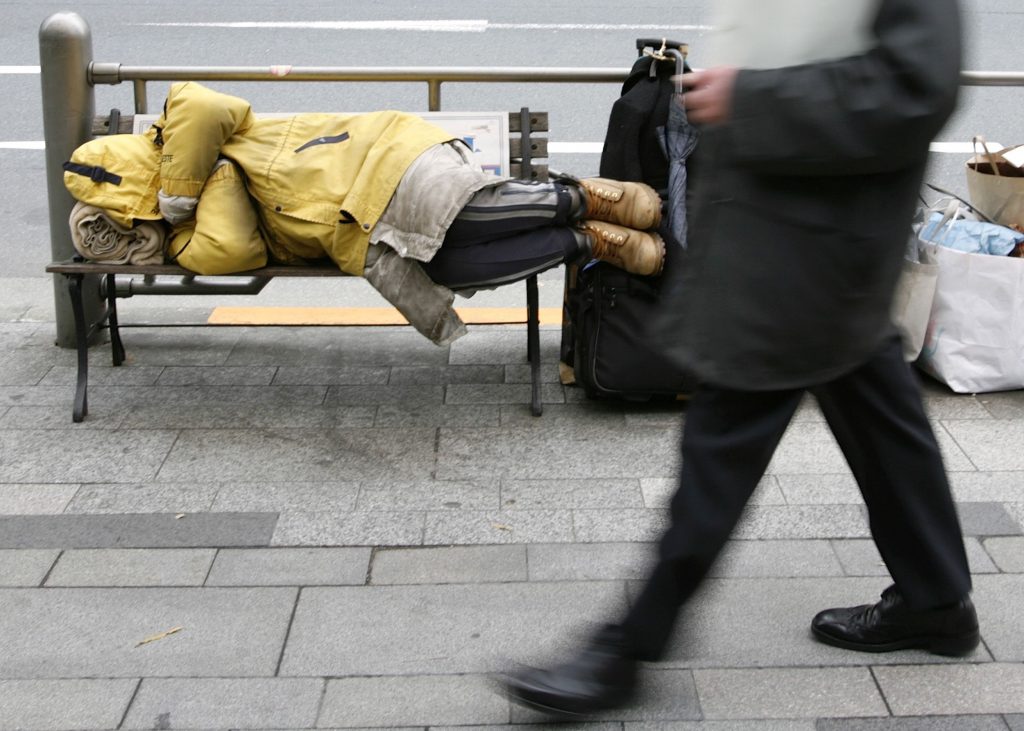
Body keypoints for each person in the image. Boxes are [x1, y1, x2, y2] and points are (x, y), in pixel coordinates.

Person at [501, 0, 979, 716]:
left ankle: (626, 649)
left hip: (809, 238)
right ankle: (937, 597)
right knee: (878, 412)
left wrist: (747, 98)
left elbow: (915, 87)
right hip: (804, 225)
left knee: (724, 433)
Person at [62, 81, 665, 345]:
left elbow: (207, 102)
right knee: (450, 267)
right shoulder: (188, 221)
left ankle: (582, 198)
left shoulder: (179, 127)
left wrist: (180, 193)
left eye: (126, 221)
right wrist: (207, 185)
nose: (137, 235)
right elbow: (233, 252)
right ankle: (589, 241)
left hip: (379, 158)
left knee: (450, 214)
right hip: (355, 234)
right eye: (130, 233)